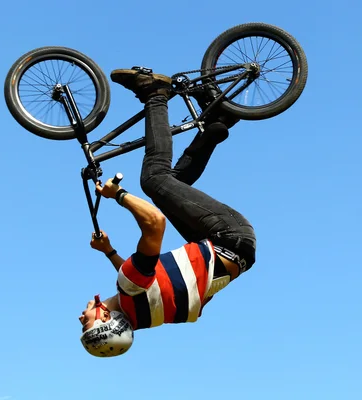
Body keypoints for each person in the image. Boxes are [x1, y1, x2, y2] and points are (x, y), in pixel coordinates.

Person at [78, 68, 257, 357]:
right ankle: (155, 94)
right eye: (85, 325)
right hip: (227, 235)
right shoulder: (130, 286)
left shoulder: (152, 315)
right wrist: (118, 195)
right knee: (154, 180)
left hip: (233, 249)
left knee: (174, 187)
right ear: (105, 319)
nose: (80, 319)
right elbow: (155, 223)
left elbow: (144, 278)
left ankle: (217, 123)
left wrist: (109, 251)